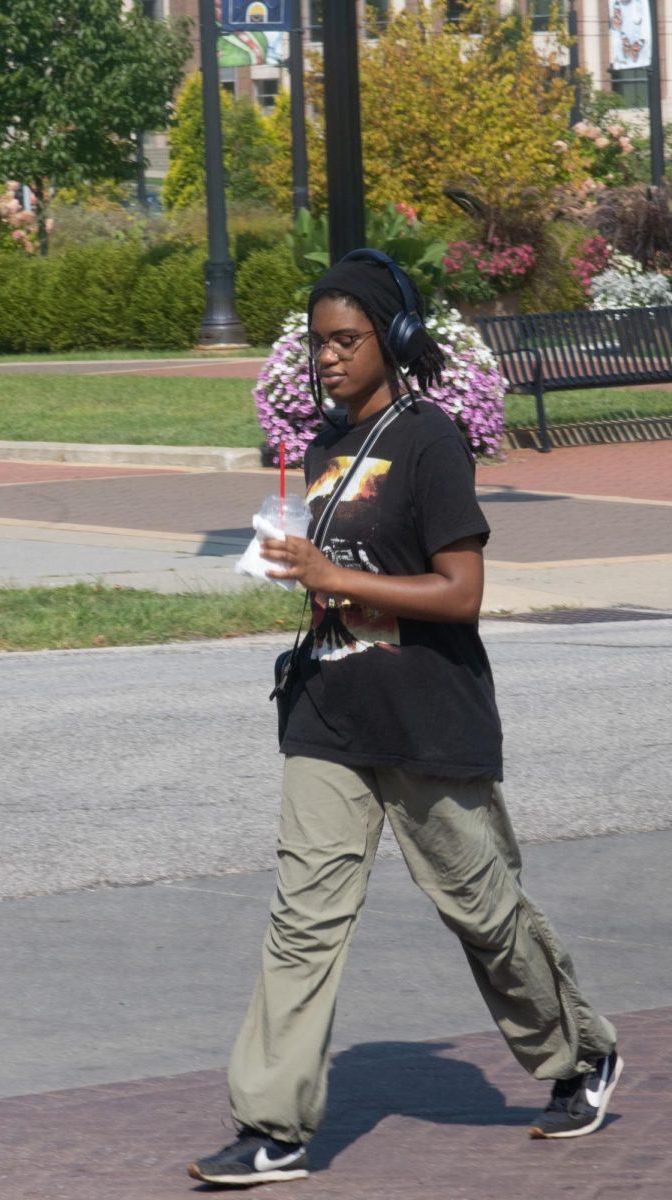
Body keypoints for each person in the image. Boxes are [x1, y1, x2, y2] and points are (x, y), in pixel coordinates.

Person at [188, 253, 621, 1188]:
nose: (330, 359)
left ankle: (577, 1054)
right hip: (329, 715)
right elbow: (335, 579)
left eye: (347, 340)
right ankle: (272, 1126)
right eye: (318, 344)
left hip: (428, 716)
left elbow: (460, 593)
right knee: (302, 920)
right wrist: (298, 573)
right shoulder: (320, 449)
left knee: (481, 910)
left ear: (396, 339)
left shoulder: (428, 442)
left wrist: (333, 576)